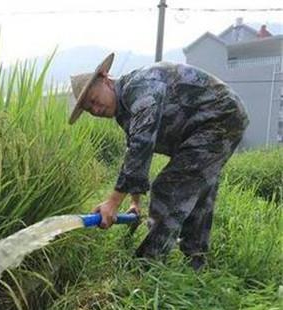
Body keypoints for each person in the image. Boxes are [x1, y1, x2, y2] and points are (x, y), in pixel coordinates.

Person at [69, 53, 248, 270]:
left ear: (106, 79)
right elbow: (134, 150)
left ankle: (147, 267)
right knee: (198, 190)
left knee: (169, 187)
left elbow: (142, 145)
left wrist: (113, 202)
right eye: (89, 110)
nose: (96, 110)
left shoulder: (138, 87)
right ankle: (196, 262)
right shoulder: (124, 110)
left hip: (219, 116)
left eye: (95, 101)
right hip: (207, 125)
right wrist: (135, 202)